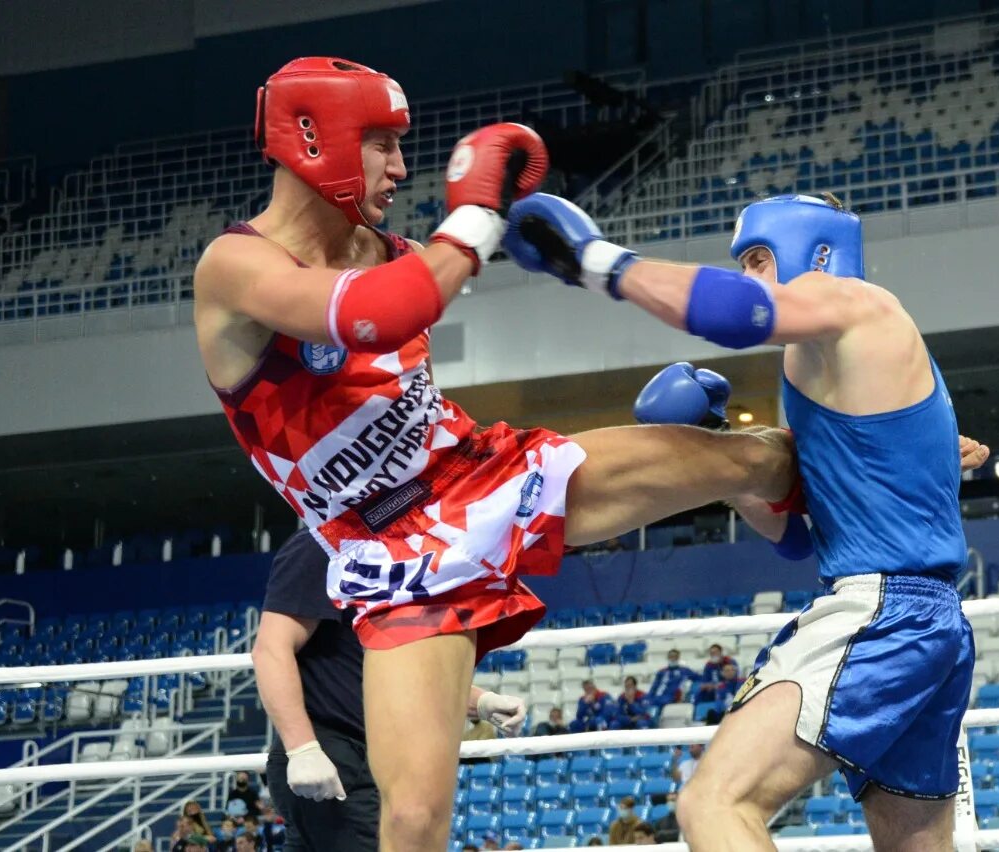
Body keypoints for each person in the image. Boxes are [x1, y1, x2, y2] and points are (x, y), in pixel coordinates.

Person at [196, 57, 800, 852]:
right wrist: (477, 218)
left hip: (483, 471)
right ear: (315, 140)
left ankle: (896, 464)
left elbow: (408, 294)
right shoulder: (236, 267)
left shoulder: (389, 248)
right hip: (390, 549)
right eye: (379, 142)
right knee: (412, 824)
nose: (401, 165)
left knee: (743, 459)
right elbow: (375, 315)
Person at [504, 191, 993, 851]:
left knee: (714, 803)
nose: (750, 278)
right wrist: (720, 461)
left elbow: (740, 315)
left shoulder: (859, 305)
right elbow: (796, 539)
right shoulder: (834, 367)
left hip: (885, 613)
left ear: (819, 250)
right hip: (924, 622)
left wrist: (602, 263)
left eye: (760, 259)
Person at [254, 528, 526, 852]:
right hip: (333, 751)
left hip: (369, 755)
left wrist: (481, 702)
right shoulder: (323, 546)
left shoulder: (396, 554)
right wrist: (302, 748)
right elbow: (271, 648)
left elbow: (396, 673)